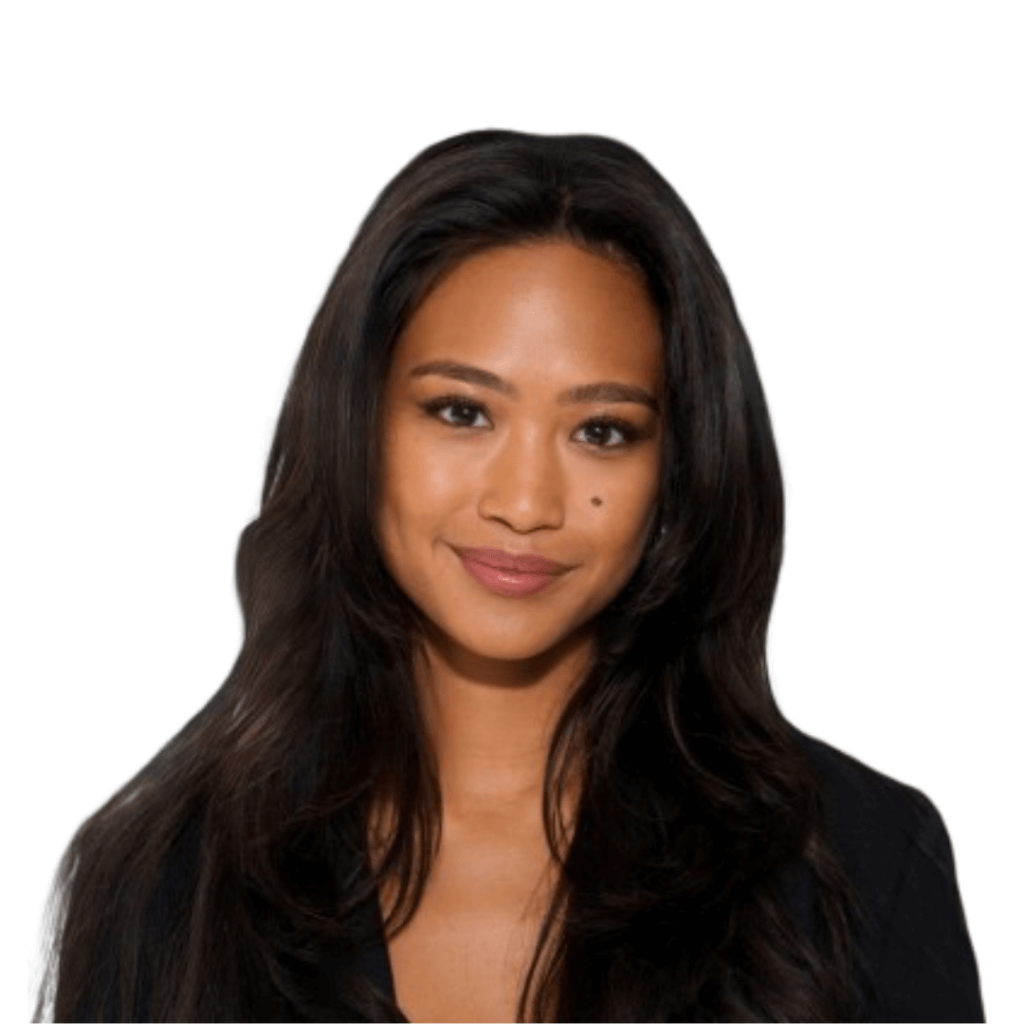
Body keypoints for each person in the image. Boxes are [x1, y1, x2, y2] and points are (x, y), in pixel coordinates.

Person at [35, 129, 984, 1023]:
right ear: (358, 422)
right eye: (461, 412)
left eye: (601, 430)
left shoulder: (857, 864)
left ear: (678, 469)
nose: (526, 502)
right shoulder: (168, 882)